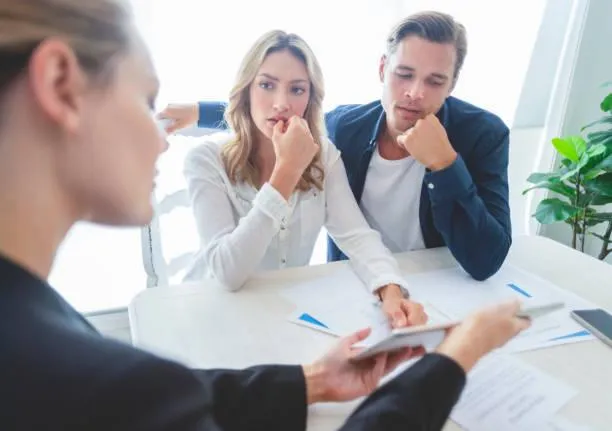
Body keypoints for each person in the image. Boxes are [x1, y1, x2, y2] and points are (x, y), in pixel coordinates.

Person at [0, 1, 530, 430]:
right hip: (227, 320)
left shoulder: (53, 332)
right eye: (146, 101)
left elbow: (358, 231)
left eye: (435, 81)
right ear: (59, 83)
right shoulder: (103, 377)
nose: (160, 136)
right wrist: (453, 361)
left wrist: (316, 378)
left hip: (308, 332)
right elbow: (246, 119)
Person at [162, 11, 512, 282]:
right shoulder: (346, 127)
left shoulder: (483, 135)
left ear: (452, 84)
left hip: (439, 283)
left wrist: (446, 165)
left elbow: (486, 261)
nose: (415, 92)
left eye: (435, 81)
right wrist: (199, 112)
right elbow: (279, 115)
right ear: (382, 69)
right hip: (356, 284)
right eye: (404, 74)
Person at [181, 30, 426, 329]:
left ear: (310, 99)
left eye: (297, 90)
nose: (281, 103)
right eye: (267, 85)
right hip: (211, 312)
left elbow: (357, 236)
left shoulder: (322, 155)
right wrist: (287, 172)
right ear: (246, 90)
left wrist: (390, 289)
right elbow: (227, 274)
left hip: (281, 312)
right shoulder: (206, 160)